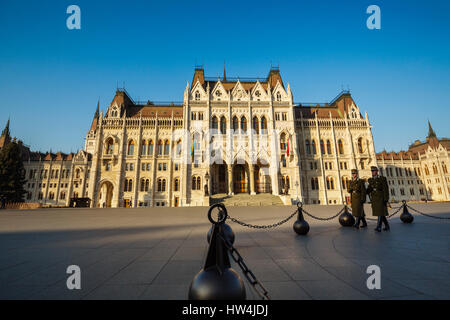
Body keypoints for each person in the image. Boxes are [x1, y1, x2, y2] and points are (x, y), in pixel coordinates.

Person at [366, 166, 390, 232]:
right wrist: (365, 191)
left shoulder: (382, 179)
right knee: (381, 213)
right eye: (372, 171)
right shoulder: (371, 180)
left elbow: (385, 189)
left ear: (377, 171)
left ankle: (378, 226)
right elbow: (369, 188)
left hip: (380, 197)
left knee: (380, 213)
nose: (373, 172)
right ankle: (387, 225)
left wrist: (386, 199)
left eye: (374, 171)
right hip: (374, 198)